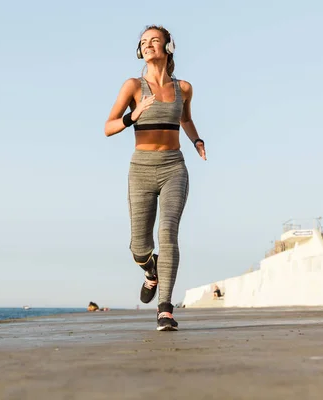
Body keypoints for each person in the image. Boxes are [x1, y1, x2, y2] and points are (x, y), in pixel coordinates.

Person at [104, 25, 206, 331]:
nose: (148, 45)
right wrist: (132, 116)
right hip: (141, 169)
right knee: (139, 246)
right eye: (143, 42)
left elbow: (185, 118)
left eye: (154, 41)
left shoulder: (183, 88)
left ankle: (165, 309)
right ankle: (151, 272)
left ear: (168, 47)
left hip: (175, 166)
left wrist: (197, 141)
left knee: (168, 233)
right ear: (139, 50)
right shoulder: (133, 86)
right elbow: (107, 127)